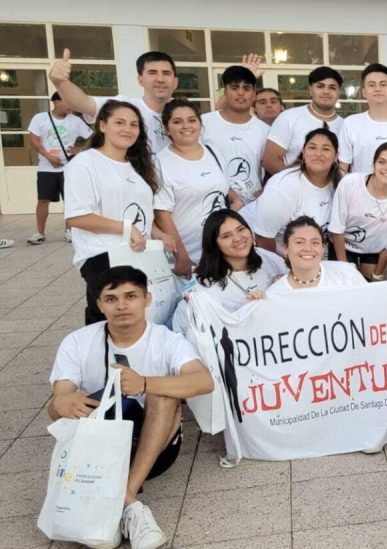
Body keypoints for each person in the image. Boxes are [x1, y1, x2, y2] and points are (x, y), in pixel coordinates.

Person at [48, 266, 214, 549]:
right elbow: (57, 406)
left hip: (153, 447)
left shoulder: (167, 340)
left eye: (131, 296)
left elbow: (203, 381)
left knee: (163, 394)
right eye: (111, 299)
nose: (122, 306)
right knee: (82, 398)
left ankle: (123, 495)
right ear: (100, 305)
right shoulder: (77, 341)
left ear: (147, 299)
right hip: (96, 453)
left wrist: (145, 383)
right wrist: (66, 402)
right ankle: (130, 509)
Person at [64, 101, 170, 325]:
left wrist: (158, 233)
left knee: (143, 323)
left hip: (141, 256)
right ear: (102, 125)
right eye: (119, 122)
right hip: (104, 257)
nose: (127, 129)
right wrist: (126, 229)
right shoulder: (85, 163)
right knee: (113, 325)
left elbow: (138, 212)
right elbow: (77, 216)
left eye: (134, 124)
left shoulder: (136, 165)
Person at [154, 99, 241, 276]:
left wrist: (236, 201)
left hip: (222, 249)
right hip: (189, 255)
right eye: (177, 122)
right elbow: (162, 214)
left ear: (200, 124)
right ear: (166, 128)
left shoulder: (212, 151)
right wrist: (182, 256)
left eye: (192, 120)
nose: (186, 126)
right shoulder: (160, 162)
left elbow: (222, 186)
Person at [171, 210, 286, 333]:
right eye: (226, 236)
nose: (237, 238)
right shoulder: (203, 285)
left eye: (241, 229)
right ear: (214, 245)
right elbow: (180, 327)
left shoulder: (267, 258)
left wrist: (284, 284)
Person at [50, 50, 178, 153]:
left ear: (175, 82)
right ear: (140, 80)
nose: (160, 79)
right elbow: (83, 103)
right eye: (152, 73)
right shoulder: (125, 106)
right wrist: (59, 81)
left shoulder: (187, 114)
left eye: (166, 73)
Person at [244, 128, 341, 255]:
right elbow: (263, 237)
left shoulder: (342, 183)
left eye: (326, 149)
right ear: (303, 153)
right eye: (312, 148)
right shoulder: (285, 185)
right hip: (257, 248)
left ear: (336, 157)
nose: (318, 153)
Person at [328, 143, 387, 281]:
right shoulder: (350, 183)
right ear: (373, 164)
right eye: (382, 162)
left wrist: (377, 275)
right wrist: (343, 267)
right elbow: (337, 228)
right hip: (342, 246)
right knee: (343, 285)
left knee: (374, 290)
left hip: (374, 252)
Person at [27, 91, 92, 245]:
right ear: (56, 102)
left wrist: (79, 149)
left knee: (70, 200)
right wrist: (49, 157)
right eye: (67, 101)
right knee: (43, 200)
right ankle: (40, 233)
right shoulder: (40, 119)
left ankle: (69, 231)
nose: (71, 105)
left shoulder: (75, 121)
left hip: (68, 167)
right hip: (46, 167)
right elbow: (34, 141)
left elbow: (92, 137)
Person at [202, 65, 269, 205]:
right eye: (234, 88)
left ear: (254, 94)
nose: (240, 93)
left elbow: (271, 166)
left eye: (246, 88)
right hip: (213, 203)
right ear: (225, 92)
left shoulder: (264, 130)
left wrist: (268, 189)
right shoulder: (204, 123)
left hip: (252, 206)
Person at [263, 66, 344, 175]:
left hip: (334, 190)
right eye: (320, 86)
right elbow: (270, 160)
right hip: (292, 188)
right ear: (310, 90)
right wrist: (298, 183)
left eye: (332, 87)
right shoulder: (289, 117)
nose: (326, 91)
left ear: (339, 92)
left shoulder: (345, 126)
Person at [267, 216, 366, 293]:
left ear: (323, 248)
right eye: (299, 242)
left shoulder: (346, 274)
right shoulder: (275, 293)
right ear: (286, 248)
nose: (308, 248)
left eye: (315, 242)